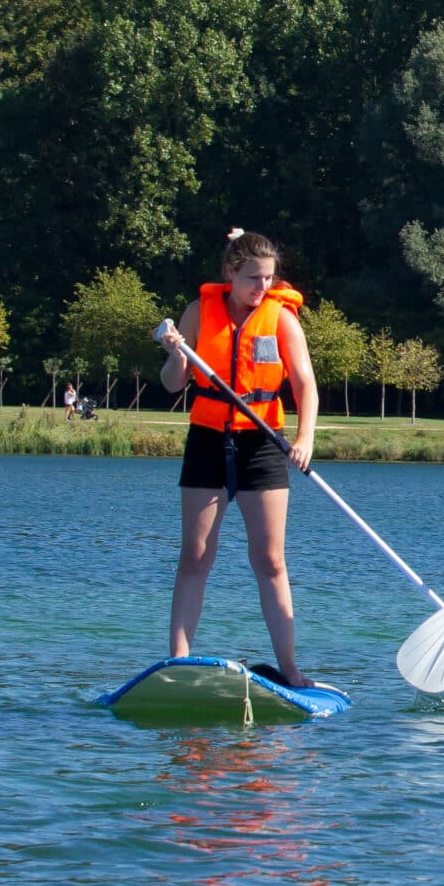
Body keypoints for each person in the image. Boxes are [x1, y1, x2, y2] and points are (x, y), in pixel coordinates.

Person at [156, 228, 320, 688]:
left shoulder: (282, 320)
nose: (262, 287)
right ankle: (179, 662)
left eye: (269, 278)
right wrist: (175, 352)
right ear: (230, 273)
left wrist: (304, 438)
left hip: (263, 443)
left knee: (270, 559)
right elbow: (173, 383)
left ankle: (289, 668)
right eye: (253, 278)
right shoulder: (197, 313)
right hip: (208, 439)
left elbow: (305, 385)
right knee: (195, 555)